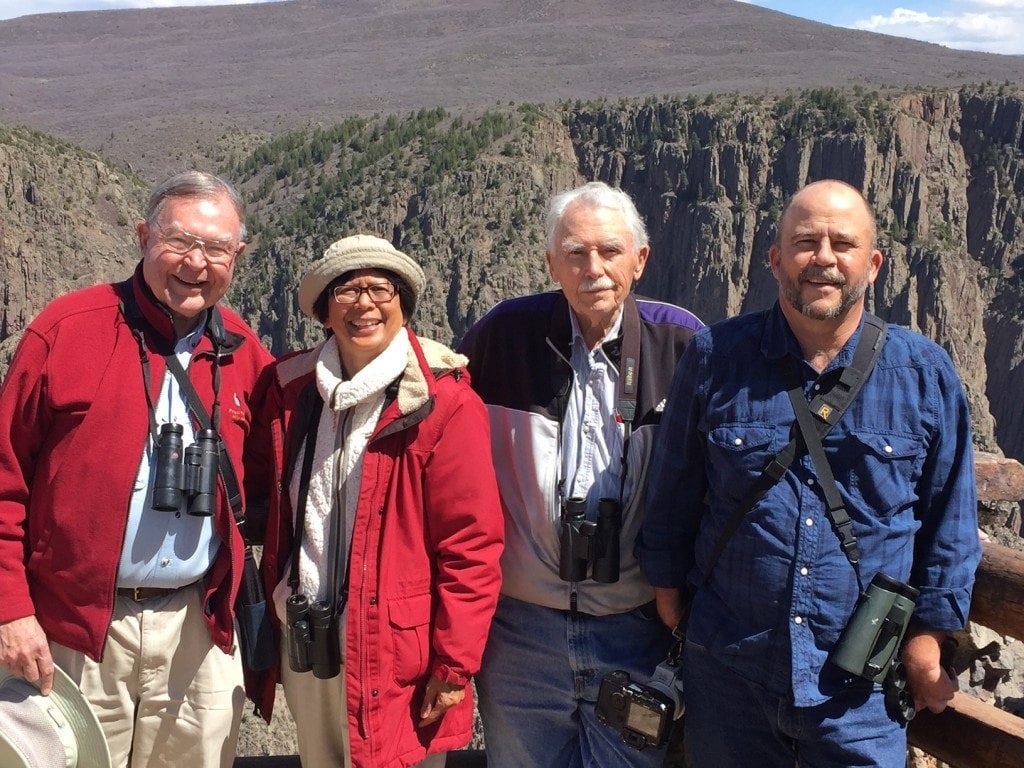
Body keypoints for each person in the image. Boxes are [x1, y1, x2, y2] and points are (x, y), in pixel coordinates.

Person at [639, 179, 981, 767]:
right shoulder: (716, 358)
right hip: (729, 675)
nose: (823, 257)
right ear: (775, 259)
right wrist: (678, 611)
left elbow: (950, 520)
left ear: (871, 265)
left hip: (861, 693)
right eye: (804, 241)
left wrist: (927, 641)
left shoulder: (923, 372)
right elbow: (672, 498)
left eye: (842, 243)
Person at [0, 171, 273, 767]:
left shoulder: (245, 353)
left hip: (197, 629)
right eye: (179, 242)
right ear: (144, 236)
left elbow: (294, 448)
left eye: (217, 249)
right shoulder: (67, 330)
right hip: (77, 629)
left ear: (239, 256)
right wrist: (10, 610)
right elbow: (4, 481)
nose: (196, 263)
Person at [458, 181, 703, 766]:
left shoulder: (682, 343)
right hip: (521, 631)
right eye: (575, 252)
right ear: (551, 263)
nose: (593, 268)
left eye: (610, 251)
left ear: (639, 260)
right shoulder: (504, 335)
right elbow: (440, 427)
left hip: (638, 625)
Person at [246, 234, 504, 768]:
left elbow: (472, 544)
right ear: (323, 310)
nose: (364, 304)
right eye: (346, 290)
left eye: (380, 289)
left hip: (396, 652)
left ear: (403, 302)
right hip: (305, 636)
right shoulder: (290, 389)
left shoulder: (442, 402)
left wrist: (454, 663)